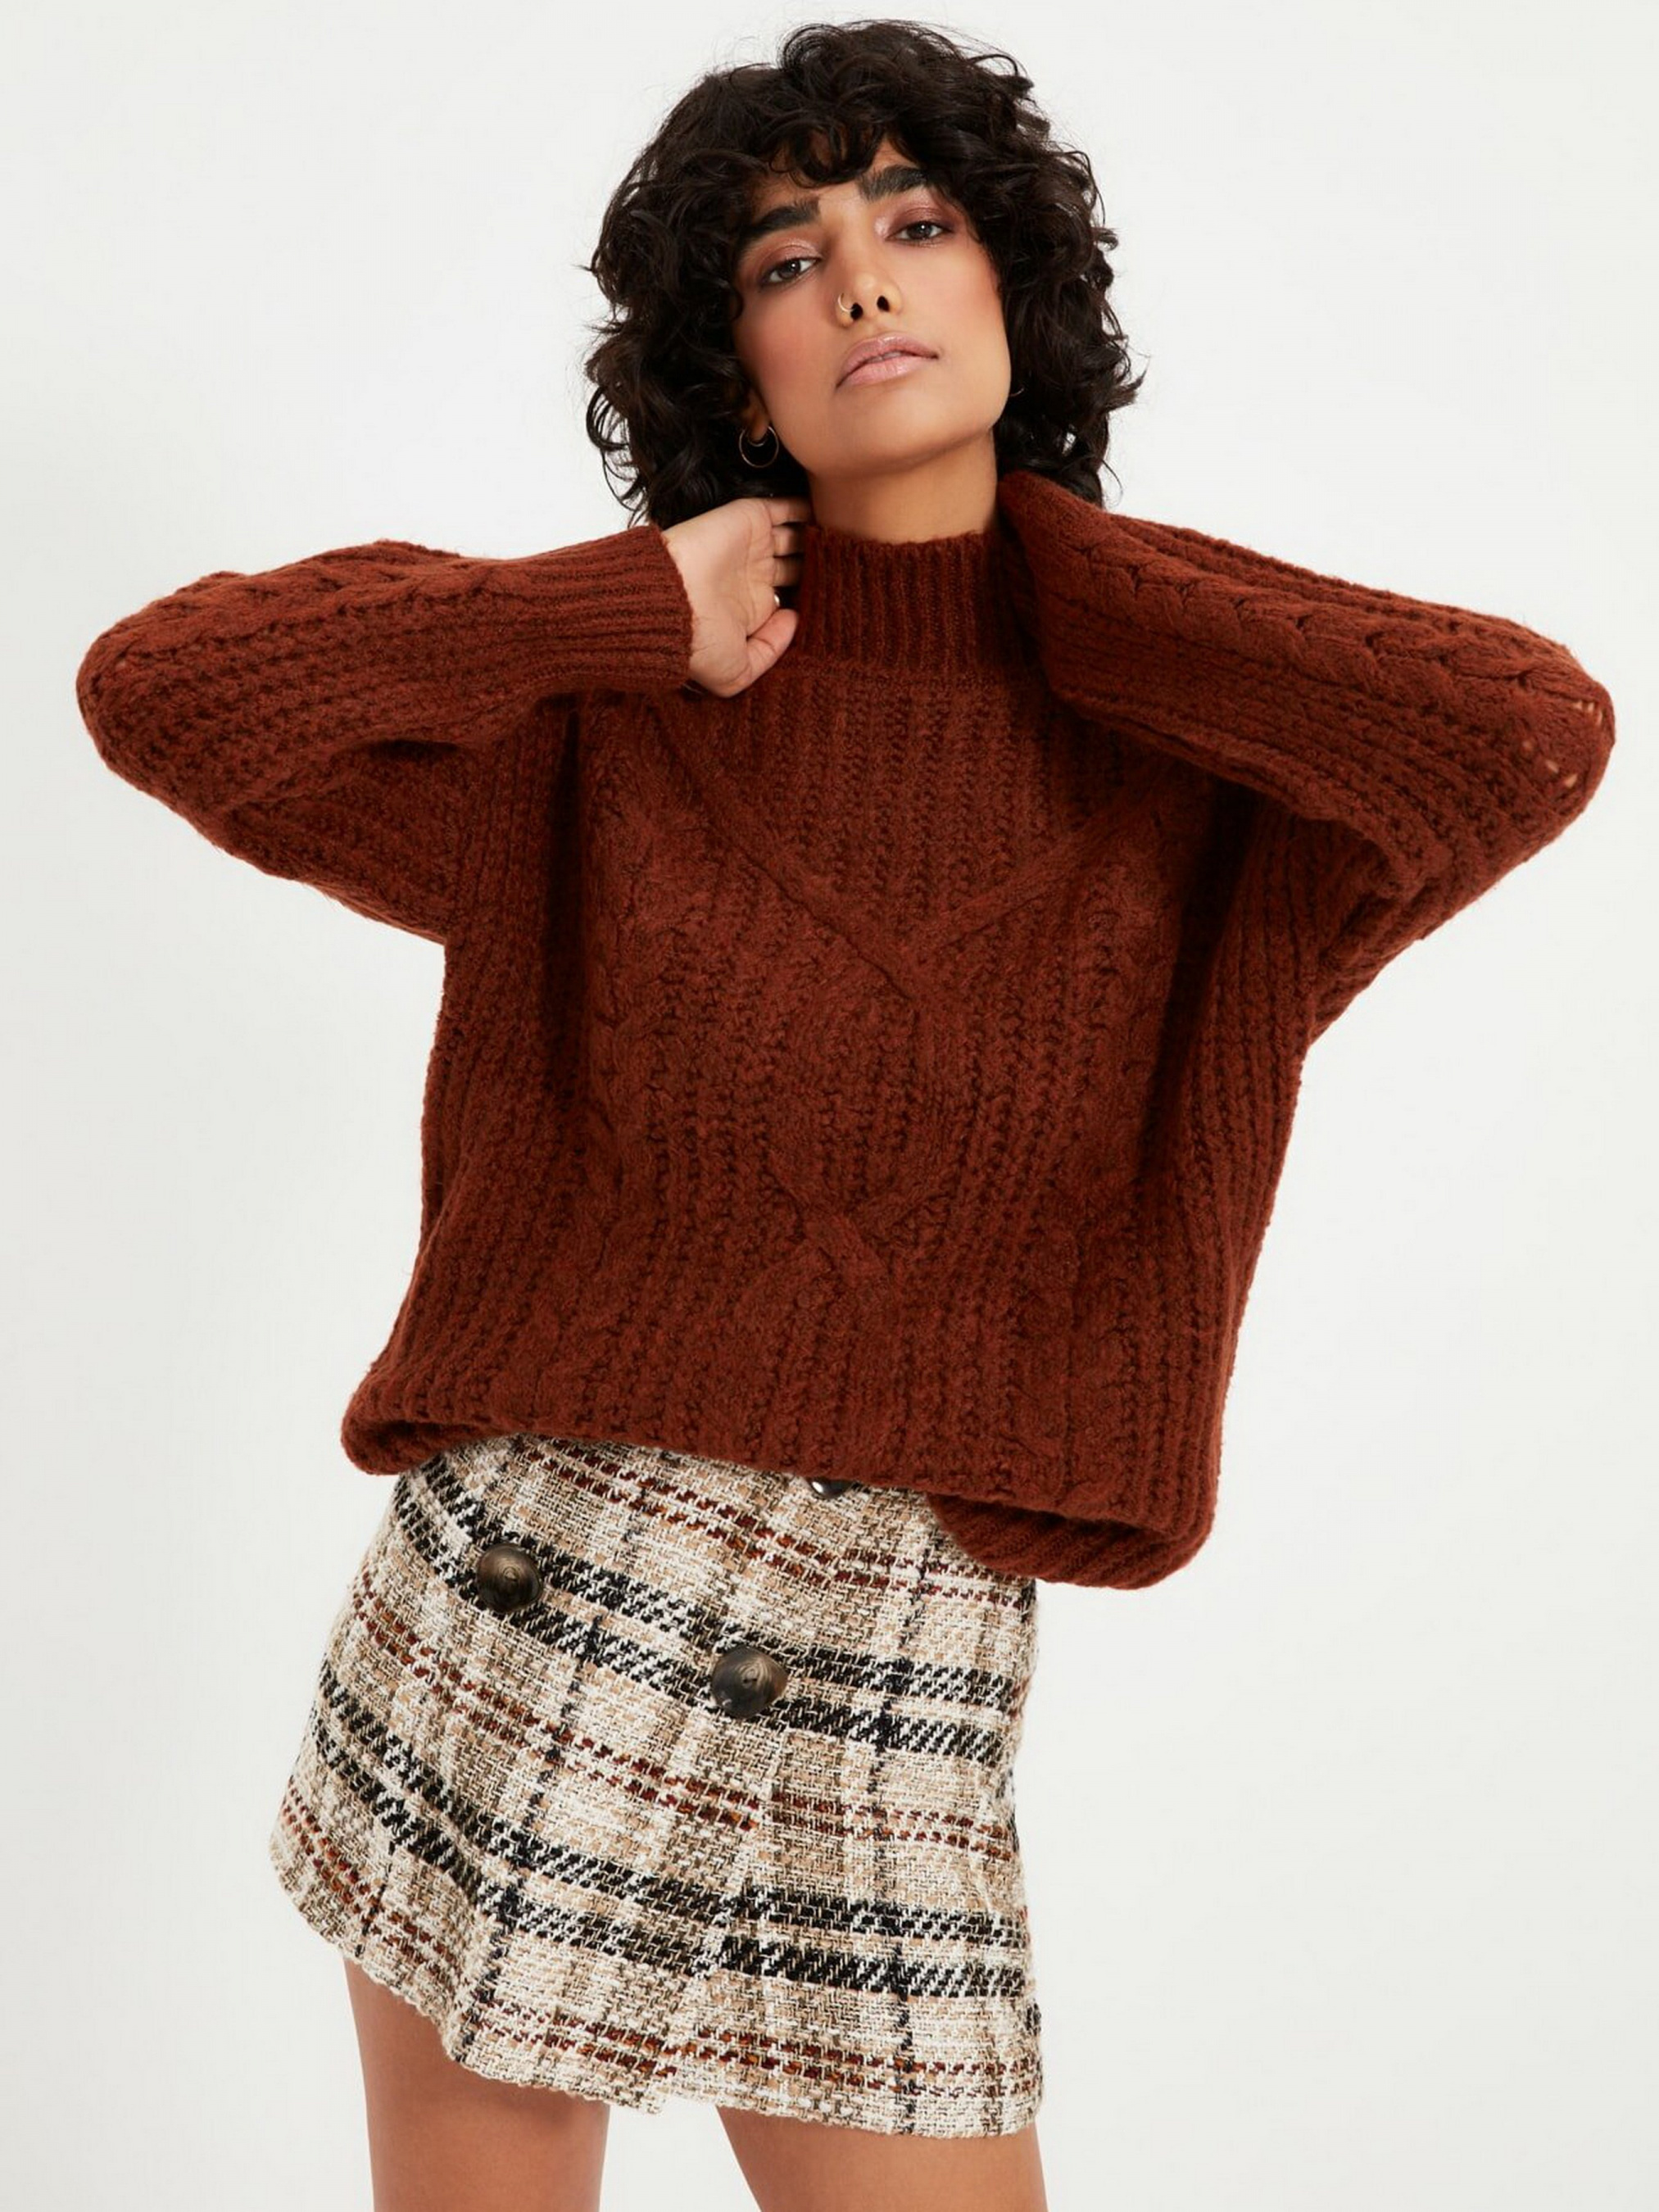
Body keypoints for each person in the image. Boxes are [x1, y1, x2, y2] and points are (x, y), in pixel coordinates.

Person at [72, 20, 1614, 2212]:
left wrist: (1064, 582)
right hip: (558, 1568)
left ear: (1012, 285)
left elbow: (1528, 733)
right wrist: (628, 601)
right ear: (738, 369)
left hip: (906, 1641)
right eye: (785, 261)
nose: (862, 278)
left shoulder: (1201, 789)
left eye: (916, 221)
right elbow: (169, 691)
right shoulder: (610, 723)